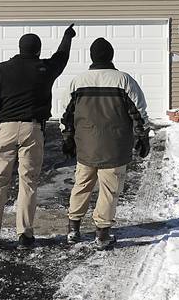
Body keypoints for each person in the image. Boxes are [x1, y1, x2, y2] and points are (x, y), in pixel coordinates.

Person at [0, 25, 76, 249]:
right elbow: (62, 57)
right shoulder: (44, 68)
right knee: (28, 182)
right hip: (32, 129)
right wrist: (67, 37)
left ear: (19, 49)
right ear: (38, 51)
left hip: (5, 129)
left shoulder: (2, 69)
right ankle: (25, 235)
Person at [61, 37, 150, 250]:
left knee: (82, 185)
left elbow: (66, 114)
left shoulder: (78, 82)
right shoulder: (124, 81)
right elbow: (138, 112)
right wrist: (142, 137)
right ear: (111, 56)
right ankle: (102, 233)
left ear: (91, 56)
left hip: (86, 146)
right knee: (109, 190)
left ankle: (73, 228)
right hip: (115, 147)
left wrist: (67, 139)